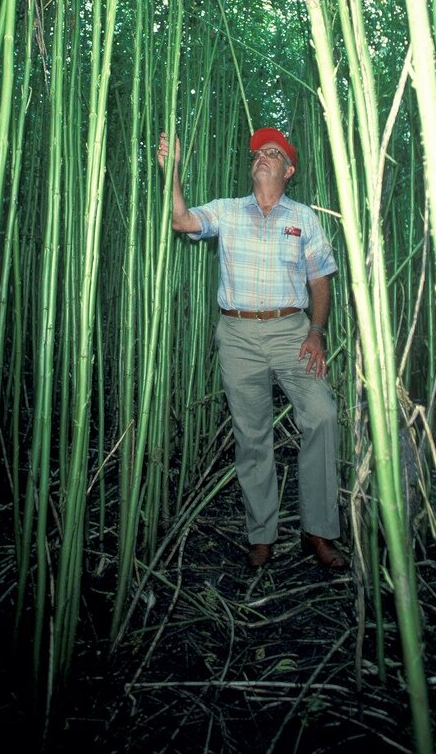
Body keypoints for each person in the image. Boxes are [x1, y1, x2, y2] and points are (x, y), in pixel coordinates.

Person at [157, 126, 346, 571]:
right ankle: (262, 534)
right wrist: (173, 172)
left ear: (289, 169)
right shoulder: (227, 210)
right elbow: (182, 221)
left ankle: (318, 530)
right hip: (238, 333)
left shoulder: (304, 217)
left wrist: (317, 332)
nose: (261, 155)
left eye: (273, 152)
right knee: (252, 434)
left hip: (291, 331)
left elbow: (320, 278)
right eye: (258, 152)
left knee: (322, 415)